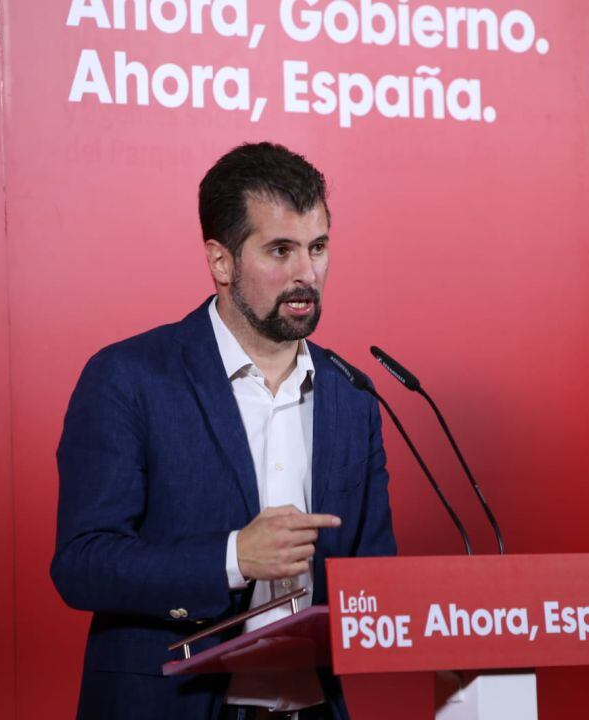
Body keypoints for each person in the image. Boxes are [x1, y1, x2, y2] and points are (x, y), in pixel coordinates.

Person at [51, 142, 396, 720]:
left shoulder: (352, 394)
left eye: (317, 248)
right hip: (172, 707)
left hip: (313, 709)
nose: (305, 274)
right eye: (279, 251)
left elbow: (376, 576)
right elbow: (83, 564)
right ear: (221, 261)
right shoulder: (128, 378)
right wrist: (234, 556)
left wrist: (439, 634)